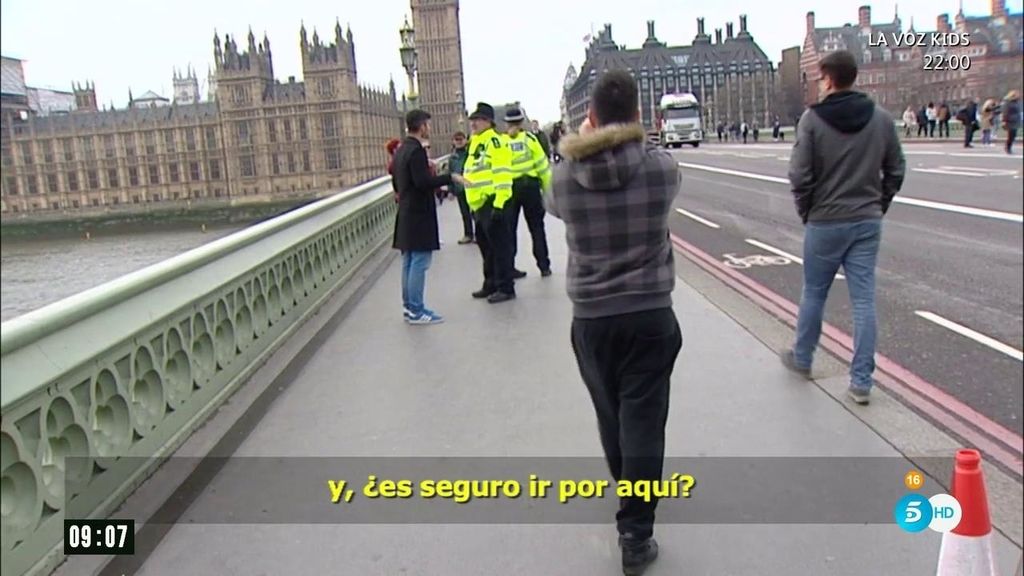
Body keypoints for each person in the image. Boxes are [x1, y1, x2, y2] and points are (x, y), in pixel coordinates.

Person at [546, 69, 682, 576]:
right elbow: (654, 158)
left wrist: (582, 141)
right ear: (639, 117)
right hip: (650, 312)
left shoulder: (562, 177)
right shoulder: (662, 170)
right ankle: (635, 533)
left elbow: (551, 204)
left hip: (593, 319)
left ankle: (628, 496)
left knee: (611, 417)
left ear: (592, 117)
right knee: (644, 422)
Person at [783, 50, 905, 405]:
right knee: (864, 300)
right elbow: (896, 169)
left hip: (825, 221)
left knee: (815, 292)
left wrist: (807, 211)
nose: (820, 84)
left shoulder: (811, 120)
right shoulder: (881, 119)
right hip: (866, 220)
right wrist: (878, 204)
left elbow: (799, 175)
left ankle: (803, 358)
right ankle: (861, 382)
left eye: (821, 79)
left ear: (830, 79)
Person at [391, 109, 467, 324]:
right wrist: (449, 177)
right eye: (428, 124)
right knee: (420, 262)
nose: (429, 128)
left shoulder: (401, 150)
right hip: (418, 213)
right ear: (421, 125)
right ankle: (416, 309)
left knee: (409, 261)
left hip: (406, 210)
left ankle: (409, 308)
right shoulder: (415, 151)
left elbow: (397, 181)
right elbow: (422, 182)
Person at [463, 102, 516, 303]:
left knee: (500, 248)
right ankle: (491, 283)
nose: (473, 123)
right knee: (486, 247)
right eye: (472, 120)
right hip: (479, 205)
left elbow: (502, 173)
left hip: (493, 201)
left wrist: (500, 203)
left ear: (488, 122)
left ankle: (506, 287)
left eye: (477, 120)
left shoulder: (495, 142)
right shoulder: (476, 142)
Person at [504, 106, 553, 277]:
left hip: (510, 188)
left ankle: (510, 267)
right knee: (537, 228)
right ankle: (544, 265)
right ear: (521, 122)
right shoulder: (530, 140)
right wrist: (547, 190)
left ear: (507, 123)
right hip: (531, 187)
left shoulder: (502, 142)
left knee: (510, 229)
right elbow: (542, 166)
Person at [448, 131, 474, 244]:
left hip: (471, 187)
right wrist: (450, 191)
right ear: (453, 142)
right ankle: (468, 234)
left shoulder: (470, 154)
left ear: (465, 140)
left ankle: (479, 234)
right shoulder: (452, 158)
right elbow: (450, 174)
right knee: (465, 213)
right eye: (456, 140)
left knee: (475, 213)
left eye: (461, 139)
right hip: (459, 188)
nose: (459, 142)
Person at [1003, 90, 1020, 155]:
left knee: (1013, 135)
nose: (1018, 96)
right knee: (1011, 135)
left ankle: (1009, 147)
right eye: (1017, 95)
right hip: (1010, 121)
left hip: (1015, 121)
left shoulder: (1017, 102)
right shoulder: (1008, 102)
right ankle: (1008, 147)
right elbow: (1005, 112)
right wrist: (1005, 121)